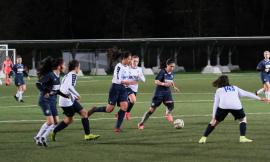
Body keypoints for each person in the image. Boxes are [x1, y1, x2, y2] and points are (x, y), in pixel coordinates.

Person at [198, 75, 266, 144]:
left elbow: (216, 103)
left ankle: (203, 138)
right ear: (228, 81)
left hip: (223, 107)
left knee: (214, 122)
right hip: (236, 106)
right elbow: (247, 94)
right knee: (243, 119)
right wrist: (260, 98)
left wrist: (213, 117)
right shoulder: (235, 88)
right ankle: (242, 137)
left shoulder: (219, 90)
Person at [51, 60, 100, 141]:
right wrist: (77, 94)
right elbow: (69, 87)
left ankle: (87, 135)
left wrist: (73, 96)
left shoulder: (67, 75)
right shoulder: (73, 75)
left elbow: (65, 88)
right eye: (79, 67)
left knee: (84, 113)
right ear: (76, 68)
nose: (79, 69)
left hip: (67, 99)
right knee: (70, 120)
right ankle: (54, 131)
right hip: (66, 102)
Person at [87, 52, 136, 131]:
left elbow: (127, 78)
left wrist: (130, 81)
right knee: (109, 109)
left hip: (123, 88)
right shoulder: (118, 66)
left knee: (124, 106)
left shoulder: (127, 67)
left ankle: (117, 127)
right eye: (129, 59)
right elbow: (117, 79)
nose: (130, 60)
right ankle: (94, 109)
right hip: (115, 88)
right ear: (125, 58)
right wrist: (127, 82)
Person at [34, 57, 69, 147]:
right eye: (63, 64)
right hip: (45, 100)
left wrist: (66, 96)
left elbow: (56, 91)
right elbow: (38, 83)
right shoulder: (50, 75)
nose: (65, 66)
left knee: (56, 121)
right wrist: (45, 92)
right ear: (59, 66)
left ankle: (39, 137)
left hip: (53, 101)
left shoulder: (58, 77)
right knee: (50, 122)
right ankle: (41, 137)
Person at [138, 58, 180, 130]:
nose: (172, 68)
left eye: (173, 66)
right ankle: (141, 123)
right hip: (159, 93)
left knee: (171, 105)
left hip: (167, 93)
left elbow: (171, 81)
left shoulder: (172, 73)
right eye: (171, 66)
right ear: (167, 65)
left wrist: (174, 87)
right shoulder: (162, 72)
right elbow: (156, 81)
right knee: (151, 110)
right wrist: (164, 84)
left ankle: (167, 114)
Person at [114, 55, 145, 132]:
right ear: (131, 61)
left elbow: (144, 80)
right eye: (134, 61)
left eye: (137, 61)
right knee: (133, 100)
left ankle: (120, 113)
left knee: (129, 102)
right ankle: (127, 113)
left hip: (134, 89)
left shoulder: (139, 69)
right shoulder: (127, 68)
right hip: (126, 87)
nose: (135, 63)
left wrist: (139, 76)